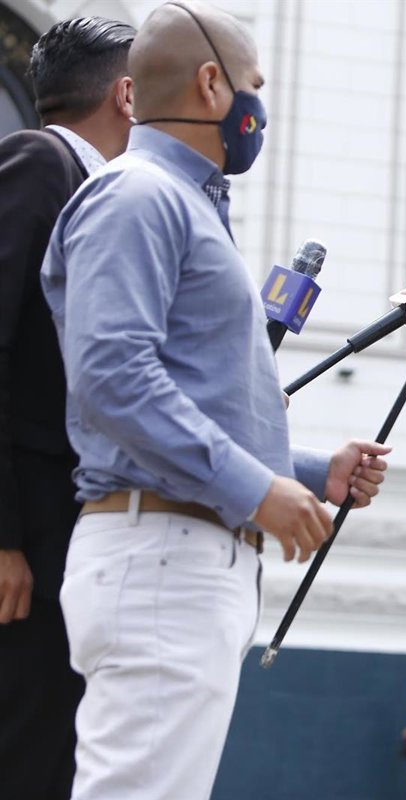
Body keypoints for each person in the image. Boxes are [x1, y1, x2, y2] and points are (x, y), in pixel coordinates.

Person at [40, 3, 390, 798]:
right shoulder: (139, 196)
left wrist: (308, 471)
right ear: (211, 85)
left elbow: (188, 393)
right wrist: (257, 488)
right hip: (164, 554)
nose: (258, 105)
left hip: (176, 553)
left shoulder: (174, 200)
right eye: (252, 84)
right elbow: (113, 377)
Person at [0, 17, 135, 799]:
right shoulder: (39, 164)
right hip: (28, 533)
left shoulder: (106, 193)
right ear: (127, 94)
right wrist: (4, 537)